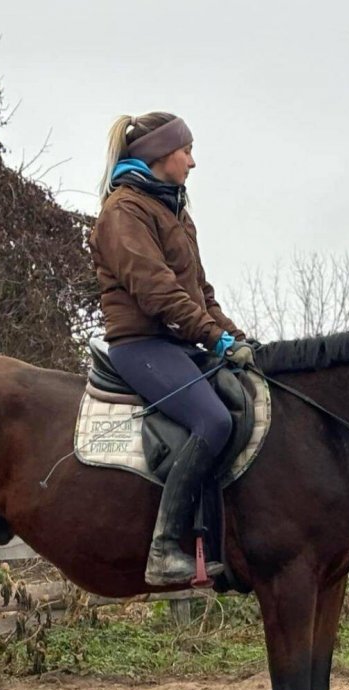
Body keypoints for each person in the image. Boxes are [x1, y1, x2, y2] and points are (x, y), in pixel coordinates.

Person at [89, 111, 255, 587]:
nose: (193, 162)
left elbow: (200, 292)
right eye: (187, 150)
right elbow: (156, 291)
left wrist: (235, 338)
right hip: (141, 345)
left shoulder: (175, 210)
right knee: (213, 420)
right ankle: (163, 550)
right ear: (162, 155)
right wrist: (212, 336)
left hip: (180, 344)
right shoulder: (124, 211)